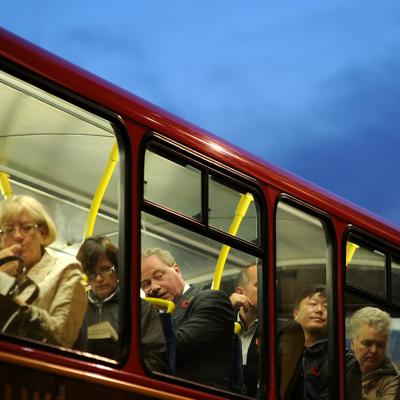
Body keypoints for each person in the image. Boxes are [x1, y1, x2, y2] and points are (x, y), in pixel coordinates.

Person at [141, 247, 235, 390]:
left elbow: (177, 345)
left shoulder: (211, 300)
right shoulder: (151, 317)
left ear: (177, 270)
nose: (153, 287)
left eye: (159, 276)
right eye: (145, 284)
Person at [0, 195, 86, 347]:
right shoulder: (3, 270)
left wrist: (5, 288)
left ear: (43, 232)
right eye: (8, 230)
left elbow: (62, 337)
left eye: (26, 228)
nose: (17, 236)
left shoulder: (66, 268)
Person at [77, 236, 166, 371]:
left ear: (118, 270)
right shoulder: (76, 306)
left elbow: (155, 360)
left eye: (105, 269)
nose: (99, 278)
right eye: (91, 272)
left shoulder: (139, 309)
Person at [231, 262, 304, 399]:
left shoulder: (285, 331)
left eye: (272, 286)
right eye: (260, 285)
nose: (269, 290)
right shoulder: (224, 323)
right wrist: (227, 308)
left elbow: (271, 380)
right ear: (240, 293)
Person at [294, 284, 362, 400]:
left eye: (326, 306)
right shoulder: (280, 353)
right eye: (313, 304)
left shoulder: (344, 361)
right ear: (295, 313)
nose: (320, 310)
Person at [349, 306, 400, 399]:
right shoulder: (339, 366)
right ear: (352, 343)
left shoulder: (393, 379)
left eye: (380, 345)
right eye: (367, 343)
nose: (374, 350)